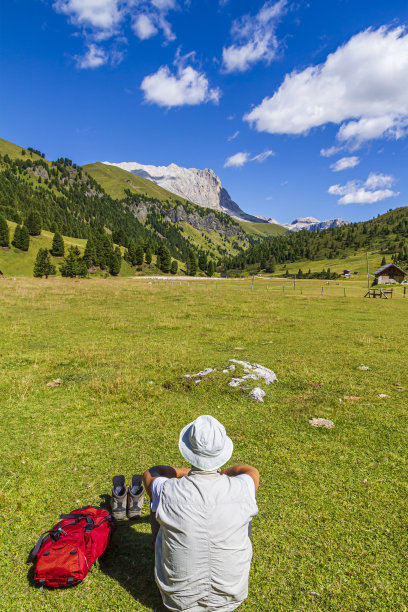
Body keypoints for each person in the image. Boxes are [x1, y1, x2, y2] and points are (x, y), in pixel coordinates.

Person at [143, 414, 259, 612]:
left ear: (188, 450)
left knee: (158, 509)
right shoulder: (243, 487)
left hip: (177, 602)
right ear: (222, 451)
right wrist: (220, 473)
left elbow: (152, 472)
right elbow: (250, 470)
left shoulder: (167, 490)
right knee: (242, 513)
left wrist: (185, 472)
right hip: (230, 599)